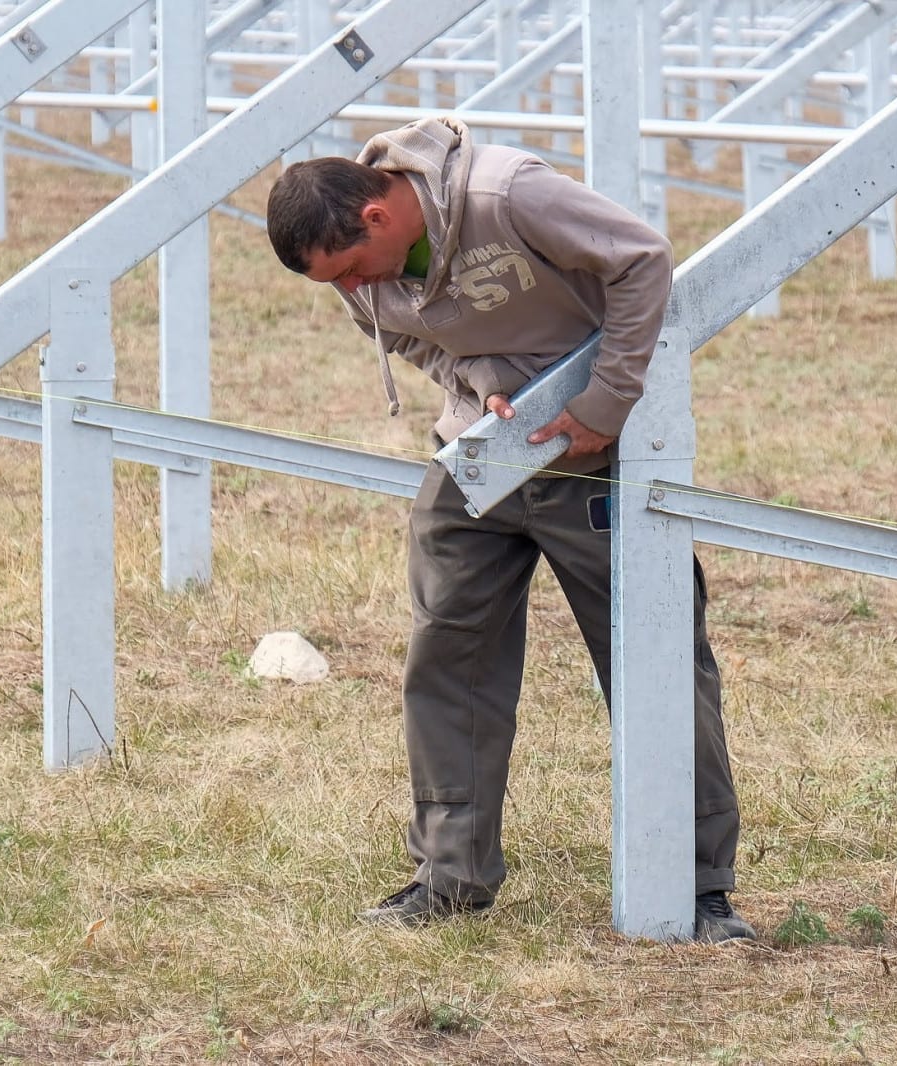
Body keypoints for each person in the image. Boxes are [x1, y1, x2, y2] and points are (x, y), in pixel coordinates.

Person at [265, 117, 751, 942]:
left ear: (377, 217)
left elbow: (642, 261)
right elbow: (418, 346)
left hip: (593, 456)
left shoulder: (504, 192)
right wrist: (478, 379)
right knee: (447, 655)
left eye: (350, 270)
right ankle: (449, 875)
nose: (350, 292)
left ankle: (697, 884)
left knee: (657, 658)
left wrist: (605, 402)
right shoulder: (359, 284)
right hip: (481, 457)